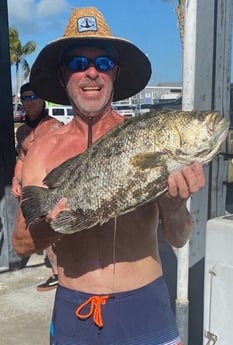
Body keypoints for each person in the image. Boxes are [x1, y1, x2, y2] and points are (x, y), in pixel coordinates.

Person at [12, 7, 205, 345]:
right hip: (75, 313)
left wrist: (176, 207)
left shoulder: (148, 138)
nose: (91, 73)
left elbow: (178, 237)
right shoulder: (41, 151)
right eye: (77, 63)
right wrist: (51, 225)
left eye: (102, 64)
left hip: (145, 309)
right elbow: (21, 242)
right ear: (62, 75)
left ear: (115, 73)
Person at [12, 82, 62, 291]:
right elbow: (21, 159)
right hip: (29, 191)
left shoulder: (54, 127)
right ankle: (56, 273)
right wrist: (16, 180)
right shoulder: (22, 132)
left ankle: (61, 273)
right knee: (35, 235)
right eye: (25, 98)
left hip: (49, 189)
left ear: (42, 100)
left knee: (55, 232)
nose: (29, 102)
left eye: (33, 97)